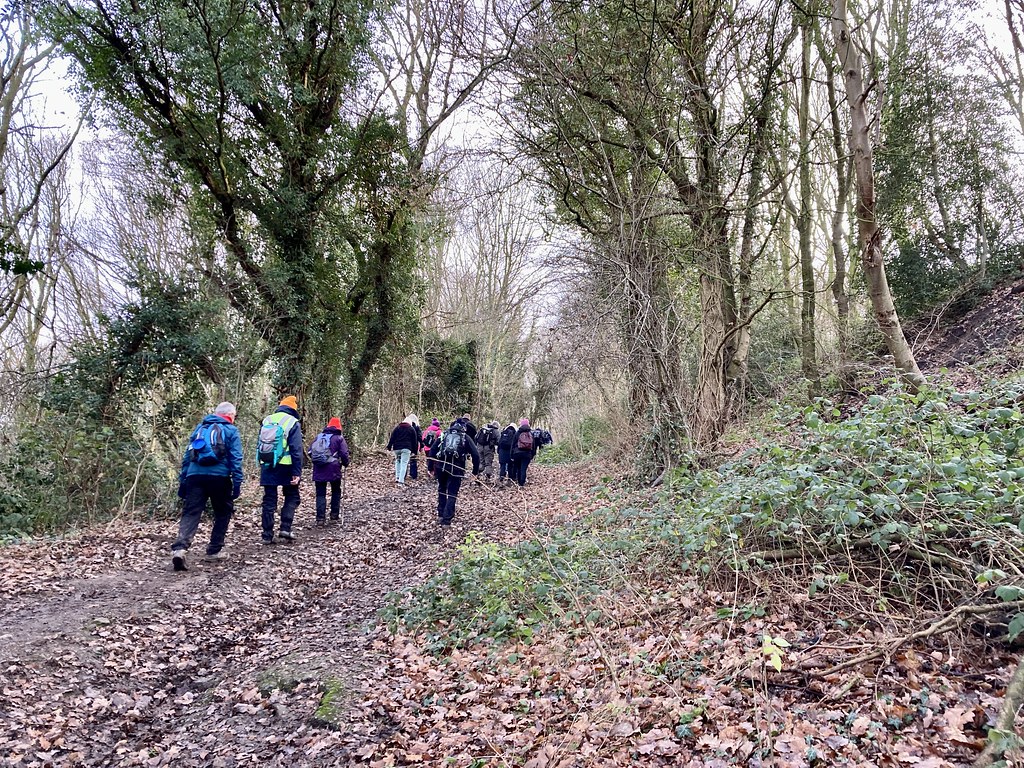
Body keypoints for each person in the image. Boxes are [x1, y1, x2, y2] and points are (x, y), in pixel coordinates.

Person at [171, 401, 244, 572]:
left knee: (191, 512)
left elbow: (187, 457)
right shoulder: (231, 430)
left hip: (194, 476)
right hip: (219, 477)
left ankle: (180, 549)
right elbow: (236, 458)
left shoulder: (200, 429)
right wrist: (238, 482)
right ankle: (214, 550)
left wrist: (183, 481)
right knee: (223, 512)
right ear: (230, 415)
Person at [257, 395, 304, 544]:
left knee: (269, 500)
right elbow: (296, 450)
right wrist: (297, 472)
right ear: (293, 409)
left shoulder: (267, 420)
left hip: (268, 464)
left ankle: (266, 534)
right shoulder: (292, 422)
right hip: (286, 466)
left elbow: (260, 443)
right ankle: (285, 528)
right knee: (292, 496)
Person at [427, 420, 480, 526]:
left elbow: (432, 450)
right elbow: (476, 455)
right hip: (457, 468)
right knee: (452, 492)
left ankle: (441, 514)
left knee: (442, 489)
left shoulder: (443, 435)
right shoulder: (465, 437)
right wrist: (475, 472)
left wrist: (430, 468)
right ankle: (446, 520)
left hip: (441, 466)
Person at [309, 417, 350, 526]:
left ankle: (320, 519)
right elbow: (344, 454)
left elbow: (310, 452)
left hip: (318, 469)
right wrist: (345, 463)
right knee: (336, 491)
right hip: (333, 469)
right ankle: (334, 515)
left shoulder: (318, 437)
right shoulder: (339, 438)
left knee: (320, 493)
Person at [386, 414, 419, 487]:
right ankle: (401, 481)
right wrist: (414, 451)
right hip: (406, 449)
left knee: (398, 462)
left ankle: (397, 477)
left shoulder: (397, 428)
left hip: (397, 448)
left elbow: (392, 437)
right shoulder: (411, 429)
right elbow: (415, 442)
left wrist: (389, 446)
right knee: (404, 463)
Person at [510, 417, 538, 487]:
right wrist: (533, 455)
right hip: (527, 454)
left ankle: (519, 482)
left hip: (517, 453)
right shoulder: (530, 433)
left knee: (519, 468)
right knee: (523, 468)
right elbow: (533, 446)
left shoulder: (517, 433)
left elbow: (513, 445)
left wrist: (511, 455)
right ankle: (522, 482)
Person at [408, 414, 421, 481]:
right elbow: (420, 437)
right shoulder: (416, 427)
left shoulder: (407, 426)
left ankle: (404, 475)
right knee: (413, 460)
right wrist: (421, 446)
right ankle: (413, 475)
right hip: (414, 446)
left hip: (407, 446)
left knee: (405, 461)